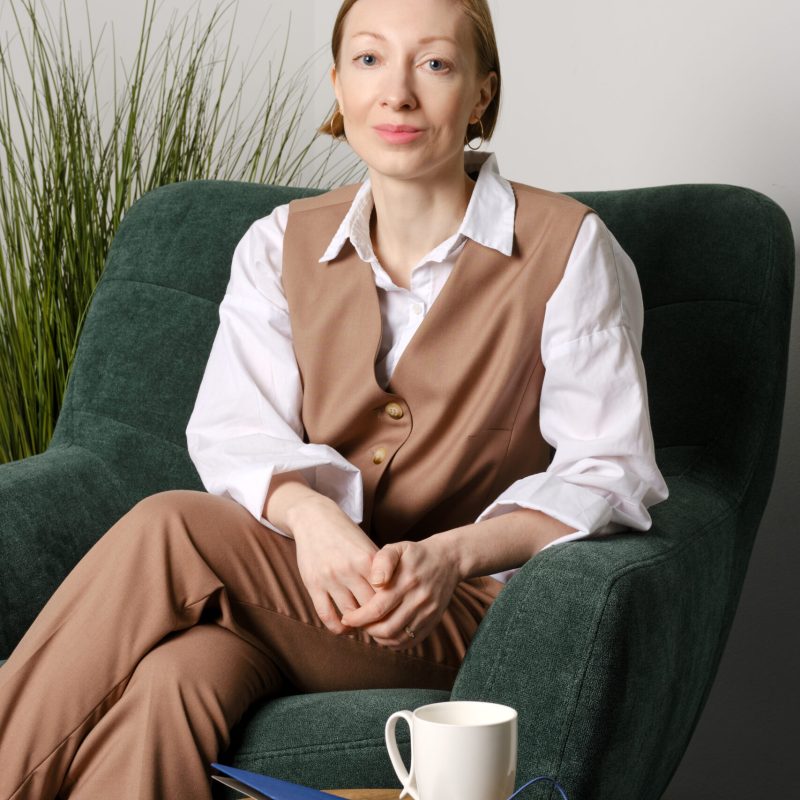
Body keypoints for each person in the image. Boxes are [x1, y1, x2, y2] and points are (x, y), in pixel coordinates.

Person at [0, 0, 669, 798]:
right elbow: (236, 430)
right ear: (339, 85)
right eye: (369, 60)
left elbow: (609, 470)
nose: (397, 93)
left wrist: (451, 557)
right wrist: (311, 518)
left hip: (454, 615)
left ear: (481, 94)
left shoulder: (569, 246)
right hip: (294, 596)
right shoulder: (278, 243)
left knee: (170, 527)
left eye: (435, 64)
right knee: (172, 683)